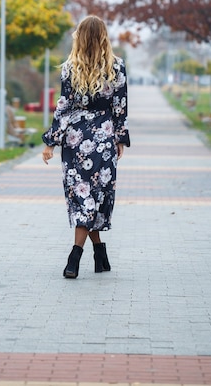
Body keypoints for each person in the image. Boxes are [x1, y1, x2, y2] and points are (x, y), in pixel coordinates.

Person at [42, 15, 130, 279]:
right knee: (95, 198)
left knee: (83, 197)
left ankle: (79, 257)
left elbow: (64, 107)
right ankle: (94, 254)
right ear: (104, 36)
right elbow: (120, 108)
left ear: (79, 36)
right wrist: (119, 137)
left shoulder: (70, 67)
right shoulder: (117, 67)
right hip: (103, 139)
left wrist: (52, 141)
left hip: (75, 140)